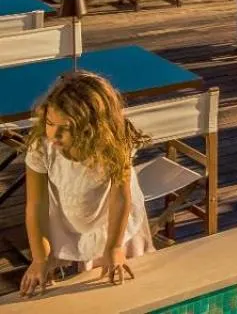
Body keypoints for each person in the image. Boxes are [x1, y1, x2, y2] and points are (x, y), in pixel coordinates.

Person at [19, 72, 153, 298]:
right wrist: (40, 258)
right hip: (69, 214)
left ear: (91, 127)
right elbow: (36, 204)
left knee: (119, 284)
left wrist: (114, 247)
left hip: (113, 219)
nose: (53, 134)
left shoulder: (114, 144)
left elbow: (120, 197)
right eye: (50, 123)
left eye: (65, 127)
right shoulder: (41, 147)